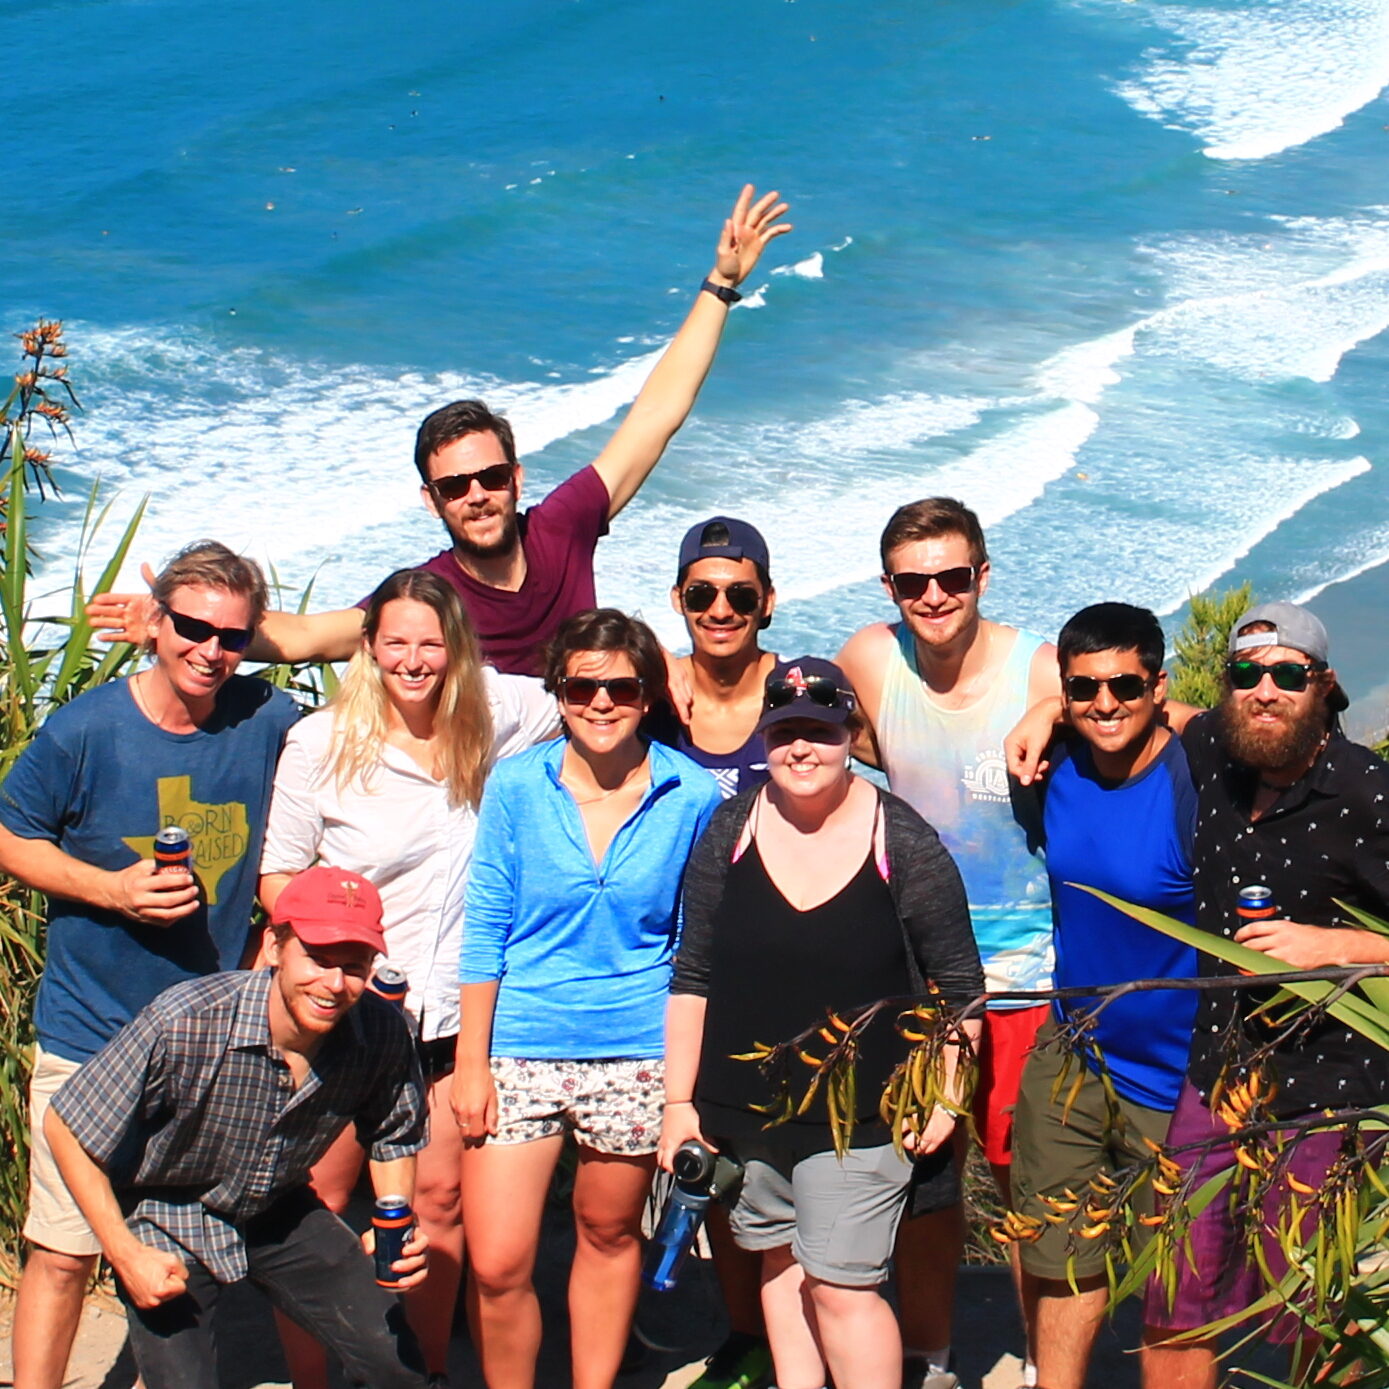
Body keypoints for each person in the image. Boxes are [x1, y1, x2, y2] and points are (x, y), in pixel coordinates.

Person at [88, 186, 792, 678]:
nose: (477, 495)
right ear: (432, 500)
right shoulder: (427, 594)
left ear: (517, 479)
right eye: (455, 485)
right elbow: (305, 637)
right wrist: (181, 623)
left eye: (490, 477)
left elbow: (655, 416)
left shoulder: (565, 525)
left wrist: (719, 286)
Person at [0, 540, 299, 1389]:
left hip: (208, 1044)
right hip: (89, 1034)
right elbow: (10, 834)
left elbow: (375, 652)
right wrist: (109, 890)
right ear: (156, 623)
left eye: (232, 636)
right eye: (192, 627)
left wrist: (270, 948)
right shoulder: (85, 729)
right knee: (62, 1250)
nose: (210, 650)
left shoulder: (268, 720)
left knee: (187, 1248)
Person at [258, 568, 558, 1386]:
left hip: (451, 1018)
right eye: (396, 641)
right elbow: (278, 878)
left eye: (431, 641)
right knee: (315, 1202)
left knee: (439, 1207)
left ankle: (414, 1371)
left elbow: (590, 689)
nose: (414, 659)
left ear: (457, 647)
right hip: (344, 1010)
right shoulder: (322, 740)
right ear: (369, 646)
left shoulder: (498, 712)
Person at [662, 657, 984, 1389]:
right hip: (745, 1108)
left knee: (841, 1286)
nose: (800, 748)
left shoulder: (899, 837)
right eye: (784, 733)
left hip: (861, 1116)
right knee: (780, 1263)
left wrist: (944, 1092)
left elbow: (959, 986)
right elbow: (693, 974)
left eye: (819, 730)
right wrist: (678, 1104)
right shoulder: (731, 827)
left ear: (849, 736)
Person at [451, 608, 722, 1389]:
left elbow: (691, 948)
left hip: (636, 1046)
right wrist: (472, 1064)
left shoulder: (689, 793)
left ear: (647, 695)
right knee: (499, 1260)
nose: (599, 703)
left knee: (607, 1233)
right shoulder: (516, 784)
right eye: (580, 687)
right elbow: (487, 924)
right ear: (558, 692)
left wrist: (681, 1087)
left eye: (620, 687)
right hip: (520, 1044)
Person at [43, 866, 432, 1389]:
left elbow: (394, 1132)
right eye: (317, 959)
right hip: (167, 1210)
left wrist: (396, 1223)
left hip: (277, 1205)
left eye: (355, 966)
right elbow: (66, 1124)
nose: (335, 984)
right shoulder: (188, 1020)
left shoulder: (382, 1031)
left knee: (398, 1365)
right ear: (274, 946)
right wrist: (124, 1253)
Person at [1135, 603, 1389, 1389]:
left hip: (1331, 1090)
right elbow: (1152, 703)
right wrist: (1047, 706)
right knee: (1172, 1294)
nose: (1264, 690)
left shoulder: (1366, 795)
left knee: (1316, 1307)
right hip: (1218, 1073)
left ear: (1323, 686)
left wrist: (1338, 946)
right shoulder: (1214, 748)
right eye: (1246, 674)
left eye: (1287, 673)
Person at [835, 497, 1056, 1388]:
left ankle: (1048, 1357)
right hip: (919, 978)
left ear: (982, 576)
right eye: (913, 581)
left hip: (1029, 975)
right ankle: (928, 1353)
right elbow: (793, 722)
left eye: (951, 577)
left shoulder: (1037, 667)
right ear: (889, 587)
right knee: (924, 1188)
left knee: (1026, 1186)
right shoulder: (870, 656)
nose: (934, 596)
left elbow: (1147, 712)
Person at [1005, 603, 1199, 1389]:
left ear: (1157, 685)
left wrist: (1053, 702)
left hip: (1182, 1071)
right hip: (1074, 1048)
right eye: (1084, 687)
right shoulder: (1050, 767)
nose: (1105, 702)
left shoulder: (1199, 776)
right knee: (1057, 1261)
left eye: (1125, 683)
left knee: (1177, 1290)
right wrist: (1049, 708)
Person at [646, 515, 779, 1389]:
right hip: (681, 972)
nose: (720, 608)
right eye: (703, 593)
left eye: (738, 593)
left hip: (788, 966)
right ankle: (744, 1334)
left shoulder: (801, 689)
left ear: (767, 600)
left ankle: (807, 1324)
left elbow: (915, 744)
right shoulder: (650, 695)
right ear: (678, 601)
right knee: (720, 1170)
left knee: (799, 1163)